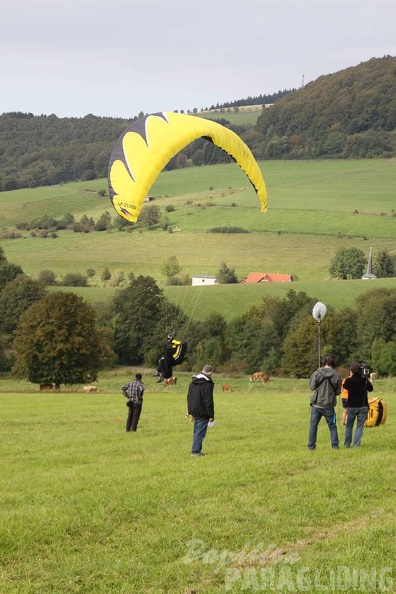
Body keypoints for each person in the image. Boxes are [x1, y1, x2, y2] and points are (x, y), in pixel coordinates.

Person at [308, 354, 342, 451]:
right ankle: (335, 446)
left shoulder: (317, 373)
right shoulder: (337, 375)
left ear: (324, 362)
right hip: (329, 405)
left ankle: (311, 447)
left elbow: (312, 387)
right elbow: (338, 391)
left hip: (317, 404)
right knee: (332, 426)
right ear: (333, 363)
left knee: (313, 426)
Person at [343, 362, 373, 448]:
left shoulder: (349, 380)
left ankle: (347, 444)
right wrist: (365, 378)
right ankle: (356, 445)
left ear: (351, 370)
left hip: (352, 406)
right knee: (359, 426)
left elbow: (345, 386)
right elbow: (371, 389)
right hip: (363, 406)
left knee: (349, 426)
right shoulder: (364, 380)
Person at [187, 364, 215, 457]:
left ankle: (196, 449)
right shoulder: (207, 384)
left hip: (194, 409)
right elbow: (208, 400)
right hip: (203, 411)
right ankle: (195, 452)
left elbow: (189, 397)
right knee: (200, 432)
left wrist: (189, 411)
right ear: (210, 373)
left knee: (196, 431)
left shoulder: (193, 382)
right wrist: (211, 414)